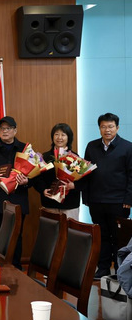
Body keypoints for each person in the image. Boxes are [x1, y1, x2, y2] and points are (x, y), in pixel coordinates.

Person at [83, 113, 132, 279]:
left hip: (119, 202)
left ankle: (120, 270)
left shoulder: (127, 147)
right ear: (99, 128)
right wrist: (86, 198)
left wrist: (129, 199)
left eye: (110, 126)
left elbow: (131, 175)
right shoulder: (91, 146)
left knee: (119, 238)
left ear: (117, 128)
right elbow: (86, 173)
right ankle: (103, 268)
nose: (107, 130)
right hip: (96, 200)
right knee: (101, 236)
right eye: (103, 126)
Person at [0, 116, 29, 269]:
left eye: (8, 128)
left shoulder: (25, 149)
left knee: (17, 236)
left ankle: (16, 269)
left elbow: (35, 174)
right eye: (2, 128)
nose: (5, 131)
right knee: (0, 235)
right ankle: (0, 268)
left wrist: (27, 181)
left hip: (18, 199)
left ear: (15, 130)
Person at [33, 123, 80, 220]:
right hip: (49, 203)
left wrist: (74, 185)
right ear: (52, 137)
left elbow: (82, 179)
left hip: (69, 204)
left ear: (69, 137)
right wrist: (43, 190)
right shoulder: (45, 157)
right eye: (56, 134)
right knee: (50, 229)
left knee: (70, 229)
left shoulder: (75, 157)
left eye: (63, 135)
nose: (59, 138)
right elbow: (37, 178)